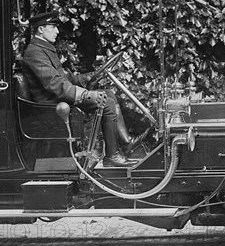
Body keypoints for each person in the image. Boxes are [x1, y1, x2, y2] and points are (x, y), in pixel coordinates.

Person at [22, 11, 147, 167]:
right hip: (50, 103)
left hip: (57, 96)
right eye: (53, 27)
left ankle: (126, 143)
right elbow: (54, 83)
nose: (57, 31)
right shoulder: (35, 52)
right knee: (106, 103)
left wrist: (92, 76)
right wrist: (85, 94)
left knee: (108, 94)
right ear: (41, 29)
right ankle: (112, 156)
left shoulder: (44, 48)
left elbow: (63, 78)